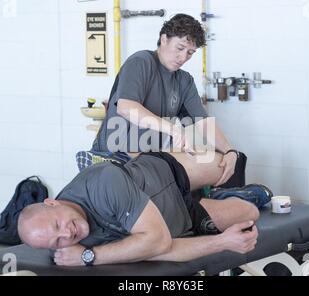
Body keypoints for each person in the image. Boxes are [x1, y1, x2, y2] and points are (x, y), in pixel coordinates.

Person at [18, 151, 271, 266]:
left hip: (166, 174)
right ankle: (231, 197)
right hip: (182, 218)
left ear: (53, 202)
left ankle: (218, 187)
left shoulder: (101, 182)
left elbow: (155, 241)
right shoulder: (67, 247)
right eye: (57, 242)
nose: (67, 234)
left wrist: (89, 256)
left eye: (57, 225)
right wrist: (222, 242)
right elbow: (158, 249)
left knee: (224, 165)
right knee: (251, 212)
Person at [91, 13, 238, 187]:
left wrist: (230, 151)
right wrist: (173, 129)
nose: (183, 58)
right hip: (115, 156)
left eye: (190, 53)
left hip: (149, 157)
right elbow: (126, 107)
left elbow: (203, 123)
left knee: (219, 162)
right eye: (180, 48)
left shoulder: (184, 80)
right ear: (164, 39)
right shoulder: (141, 61)